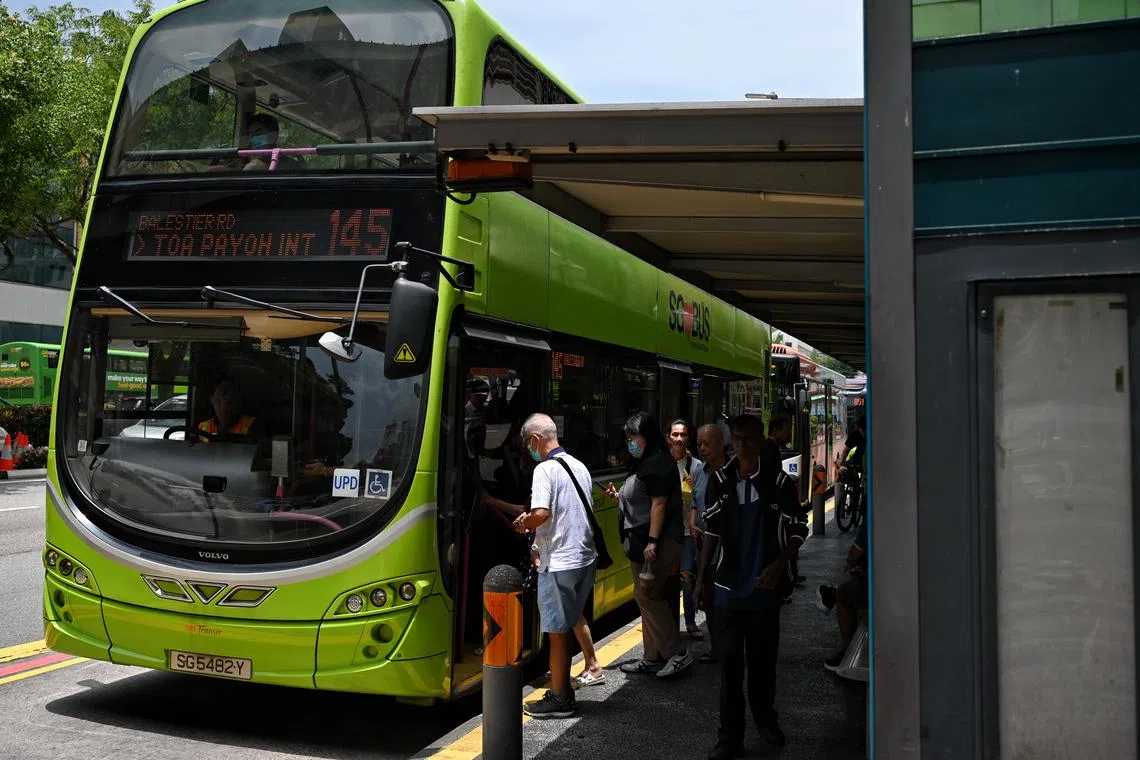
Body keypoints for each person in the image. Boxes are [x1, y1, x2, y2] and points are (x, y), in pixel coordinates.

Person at [694, 414, 808, 759]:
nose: (741, 445)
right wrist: (701, 581)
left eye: (747, 438)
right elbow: (711, 532)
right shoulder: (721, 479)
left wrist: (778, 564)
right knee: (729, 668)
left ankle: (765, 718)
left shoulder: (778, 482)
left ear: (759, 441)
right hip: (728, 591)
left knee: (762, 664)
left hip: (764, 593)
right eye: (737, 439)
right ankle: (729, 738)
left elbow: (799, 528)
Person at [512, 413, 598, 718]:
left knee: (556, 632)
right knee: (568, 623)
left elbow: (542, 513)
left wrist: (525, 523)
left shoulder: (544, 469)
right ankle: (565, 687)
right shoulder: (579, 466)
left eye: (527, 444)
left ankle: (560, 698)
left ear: (535, 440)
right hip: (584, 559)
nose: (528, 450)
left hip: (559, 562)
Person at [606, 412, 693, 679]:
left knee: (647, 595)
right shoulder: (644, 462)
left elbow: (659, 503)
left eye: (634, 437)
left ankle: (677, 652)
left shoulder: (657, 463)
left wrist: (653, 541)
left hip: (657, 542)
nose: (630, 442)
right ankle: (652, 656)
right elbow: (641, 499)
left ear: (647, 437)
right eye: (628, 438)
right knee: (645, 597)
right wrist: (618, 497)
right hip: (643, 542)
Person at [692, 422, 727, 663]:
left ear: (722, 443)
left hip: (725, 547)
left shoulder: (731, 472)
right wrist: (693, 522)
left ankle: (727, 646)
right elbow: (694, 500)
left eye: (708, 443)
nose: (703, 448)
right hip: (702, 544)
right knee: (708, 598)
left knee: (723, 599)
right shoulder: (699, 472)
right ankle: (717, 645)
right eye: (699, 444)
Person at [816, 516, 869, 671]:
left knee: (844, 593)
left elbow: (855, 553)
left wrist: (850, 562)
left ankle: (847, 652)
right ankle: (830, 593)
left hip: (883, 585)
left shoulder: (874, 512)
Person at [670, 418, 704, 640]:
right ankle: (671, 624)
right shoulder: (662, 464)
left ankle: (690, 621)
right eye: (675, 435)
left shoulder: (696, 467)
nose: (679, 439)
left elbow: (698, 499)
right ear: (668, 438)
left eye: (683, 435)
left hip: (687, 531)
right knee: (669, 579)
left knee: (687, 577)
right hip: (668, 532)